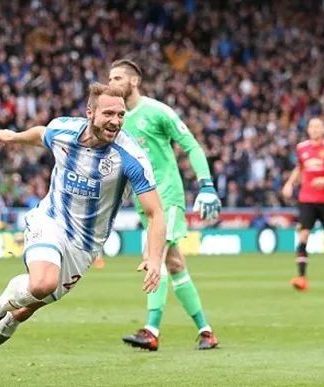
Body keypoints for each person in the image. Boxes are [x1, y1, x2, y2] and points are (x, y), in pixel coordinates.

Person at [0, 83, 166, 387]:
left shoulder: (130, 156)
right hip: (51, 220)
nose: (116, 121)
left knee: (24, 311)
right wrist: (14, 137)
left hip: (84, 247)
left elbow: (155, 213)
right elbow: (41, 133)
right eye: (108, 113)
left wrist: (155, 258)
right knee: (42, 282)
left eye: (121, 114)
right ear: (90, 113)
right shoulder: (64, 131)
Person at [109, 59, 221, 351]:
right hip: (144, 202)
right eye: (109, 78)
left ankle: (151, 329)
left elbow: (191, 145)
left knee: (153, 254)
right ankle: (206, 332)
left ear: (134, 81)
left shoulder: (157, 112)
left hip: (168, 198)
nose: (111, 83)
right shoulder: (116, 121)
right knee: (175, 264)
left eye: (118, 77)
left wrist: (206, 185)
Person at [282, 117, 324, 292]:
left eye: (318, 126)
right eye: (311, 126)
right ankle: (302, 278)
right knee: (303, 236)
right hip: (306, 199)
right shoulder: (301, 148)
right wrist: (290, 183)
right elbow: (300, 168)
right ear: (308, 129)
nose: (314, 129)